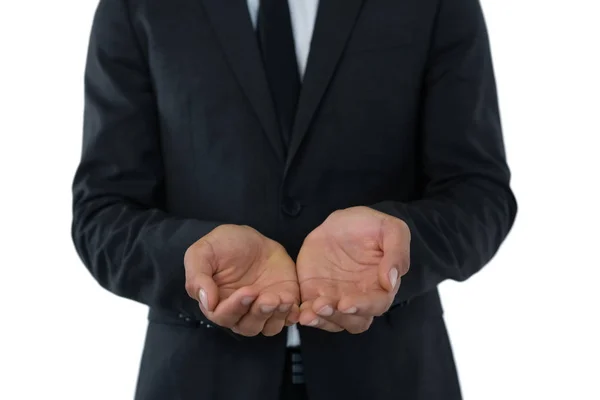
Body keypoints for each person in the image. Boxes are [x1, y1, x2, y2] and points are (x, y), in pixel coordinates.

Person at [71, 0, 517, 399]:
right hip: (196, 376)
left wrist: (399, 247)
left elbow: (480, 192)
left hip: (393, 375)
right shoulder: (134, 6)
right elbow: (102, 214)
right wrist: (190, 258)